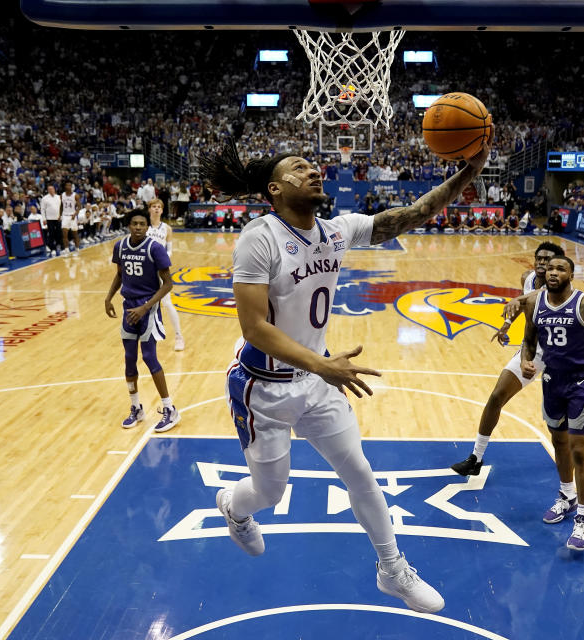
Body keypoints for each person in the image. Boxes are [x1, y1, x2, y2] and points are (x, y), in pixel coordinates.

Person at [201, 136, 491, 614]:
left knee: (360, 473)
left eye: (313, 165)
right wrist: (323, 365)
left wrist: (470, 171)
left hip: (317, 381)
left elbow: (413, 214)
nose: (313, 171)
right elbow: (253, 327)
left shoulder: (336, 231)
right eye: (298, 168)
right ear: (274, 189)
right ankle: (232, 507)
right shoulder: (259, 236)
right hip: (262, 389)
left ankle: (392, 570)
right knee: (269, 493)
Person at [450, 243, 584, 476]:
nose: (544, 264)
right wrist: (506, 324)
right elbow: (526, 306)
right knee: (496, 395)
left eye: (550, 261)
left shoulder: (562, 287)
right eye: (540, 259)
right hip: (535, 351)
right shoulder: (528, 278)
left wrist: (520, 298)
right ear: (534, 261)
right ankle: (476, 457)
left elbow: (532, 297)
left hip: (566, 358)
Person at [518, 255, 584, 551]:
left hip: (581, 381)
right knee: (558, 442)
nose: (553, 272)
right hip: (552, 381)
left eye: (561, 268)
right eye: (550, 268)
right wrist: (525, 359)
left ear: (571, 274)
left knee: (578, 449)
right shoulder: (535, 304)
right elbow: (529, 340)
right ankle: (567, 496)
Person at [104, 209, 180, 433]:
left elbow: (168, 283)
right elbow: (120, 274)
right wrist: (108, 297)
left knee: (149, 357)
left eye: (142, 224)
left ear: (147, 227)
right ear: (129, 225)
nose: (138, 227)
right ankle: (136, 407)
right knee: (129, 359)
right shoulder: (120, 246)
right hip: (129, 308)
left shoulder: (155, 248)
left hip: (148, 308)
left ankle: (169, 408)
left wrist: (145, 307)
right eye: (134, 223)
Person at [145, 198, 185, 351]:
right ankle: (147, 335)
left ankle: (179, 336)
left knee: (167, 303)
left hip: (160, 270)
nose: (156, 209)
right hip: (145, 271)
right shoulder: (143, 226)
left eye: (159, 207)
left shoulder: (167, 228)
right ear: (149, 209)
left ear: (162, 210)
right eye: (153, 206)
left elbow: (169, 250)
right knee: (145, 303)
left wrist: (160, 260)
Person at [40, 184, 62, 255]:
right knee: (51, 234)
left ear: (54, 189)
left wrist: (61, 216)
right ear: (48, 190)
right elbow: (42, 209)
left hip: (58, 218)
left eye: (52, 189)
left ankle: (58, 245)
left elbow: (61, 208)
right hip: (49, 219)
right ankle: (52, 248)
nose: (51, 190)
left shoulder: (59, 197)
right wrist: (44, 219)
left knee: (58, 232)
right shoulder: (44, 198)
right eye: (49, 189)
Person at [60, 182, 81, 254]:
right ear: (65, 186)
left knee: (75, 234)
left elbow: (79, 207)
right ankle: (66, 249)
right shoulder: (62, 195)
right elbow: (61, 206)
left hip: (72, 216)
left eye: (70, 185)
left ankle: (77, 249)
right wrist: (59, 215)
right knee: (64, 234)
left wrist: (75, 214)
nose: (68, 186)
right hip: (65, 216)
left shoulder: (75, 195)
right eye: (67, 185)